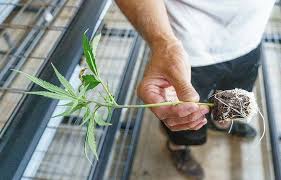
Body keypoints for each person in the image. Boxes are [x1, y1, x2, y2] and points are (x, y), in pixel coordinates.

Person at [116, 0, 275, 179]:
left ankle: (220, 124)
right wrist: (163, 43)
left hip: (250, 37)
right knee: (186, 118)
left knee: (233, 102)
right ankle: (178, 147)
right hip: (188, 46)